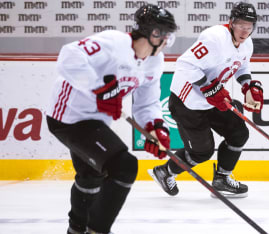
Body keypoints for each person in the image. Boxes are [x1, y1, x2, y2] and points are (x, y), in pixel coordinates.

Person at [46, 4, 176, 234]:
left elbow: (147, 103)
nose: (167, 41)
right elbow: (69, 55)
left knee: (90, 177)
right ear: (154, 33)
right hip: (67, 117)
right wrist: (99, 89)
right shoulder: (114, 42)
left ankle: (77, 229)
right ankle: (96, 230)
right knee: (124, 166)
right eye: (166, 35)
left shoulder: (155, 61)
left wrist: (155, 128)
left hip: (96, 122)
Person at [148, 2, 263, 198]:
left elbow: (242, 66)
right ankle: (164, 172)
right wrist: (209, 88)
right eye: (241, 25)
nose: (245, 30)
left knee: (238, 133)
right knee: (201, 152)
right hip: (187, 103)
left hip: (213, 99)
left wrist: (248, 86)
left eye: (249, 26)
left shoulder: (247, 44)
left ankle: (222, 179)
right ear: (232, 22)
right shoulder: (215, 37)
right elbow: (184, 64)